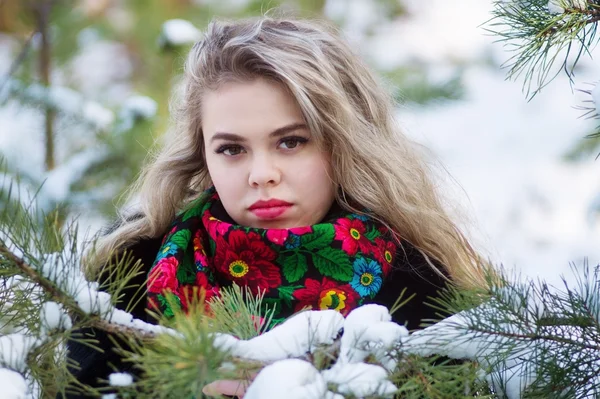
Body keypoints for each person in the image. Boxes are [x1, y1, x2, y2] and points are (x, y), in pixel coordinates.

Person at [66, 15, 489, 398]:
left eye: (291, 142)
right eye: (232, 149)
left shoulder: (420, 286)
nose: (262, 174)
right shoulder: (128, 271)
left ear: (342, 144)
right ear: (202, 155)